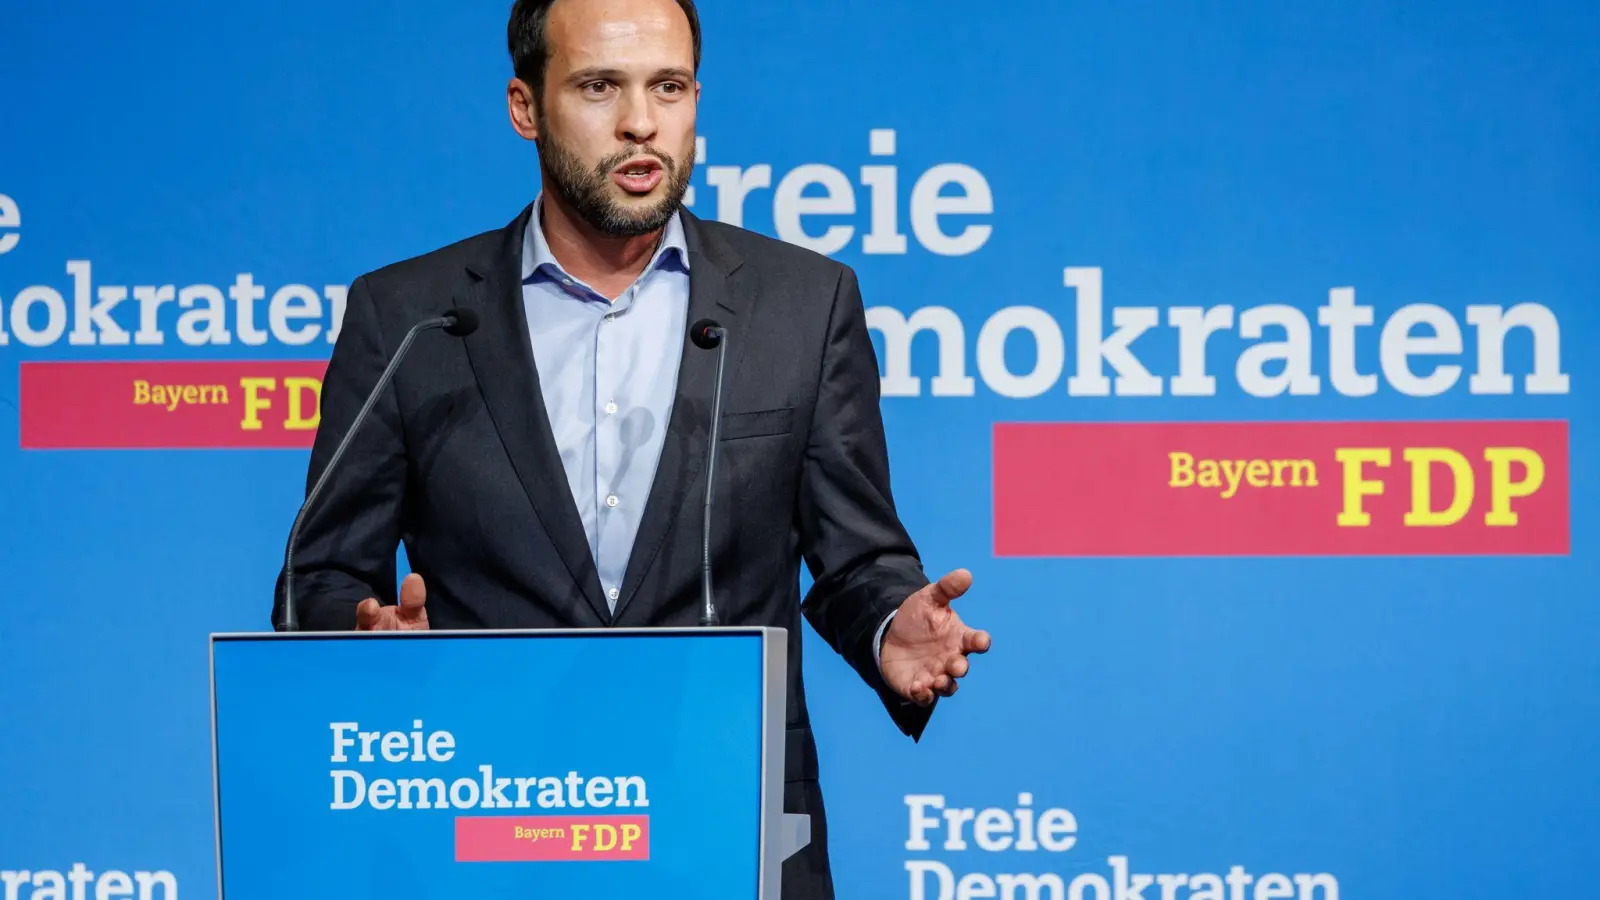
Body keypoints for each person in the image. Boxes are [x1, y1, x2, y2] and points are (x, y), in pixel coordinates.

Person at [271, 0, 991, 895]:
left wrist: (891, 626)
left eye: (670, 86)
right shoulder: (408, 318)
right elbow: (318, 578)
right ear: (525, 107)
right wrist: (366, 641)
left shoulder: (803, 306)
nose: (642, 120)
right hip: (486, 829)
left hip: (729, 825)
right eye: (600, 85)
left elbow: (855, 558)